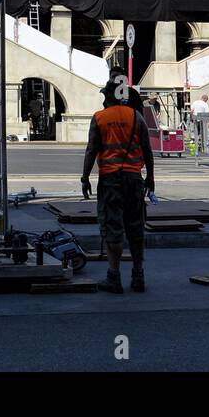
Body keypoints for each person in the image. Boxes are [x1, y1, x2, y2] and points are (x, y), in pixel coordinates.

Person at [82, 79, 154, 294]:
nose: (103, 98)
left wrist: (85, 177)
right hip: (134, 178)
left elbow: (91, 149)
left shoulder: (100, 117)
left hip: (110, 179)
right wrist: (150, 178)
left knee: (113, 226)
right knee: (135, 225)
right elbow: (147, 150)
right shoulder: (136, 116)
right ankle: (138, 274)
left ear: (109, 96)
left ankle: (114, 276)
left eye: (105, 95)